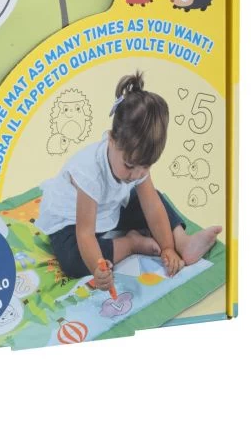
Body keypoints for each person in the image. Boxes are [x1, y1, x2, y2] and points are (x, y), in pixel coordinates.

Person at [36, 71, 221, 293]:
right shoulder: (89, 172)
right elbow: (85, 233)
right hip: (72, 220)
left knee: (155, 198)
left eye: (145, 167)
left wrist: (168, 248)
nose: (136, 175)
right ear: (111, 140)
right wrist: (97, 267)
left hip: (109, 209)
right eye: (130, 166)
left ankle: (182, 241)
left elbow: (152, 208)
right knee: (73, 260)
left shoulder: (136, 166)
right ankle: (131, 244)